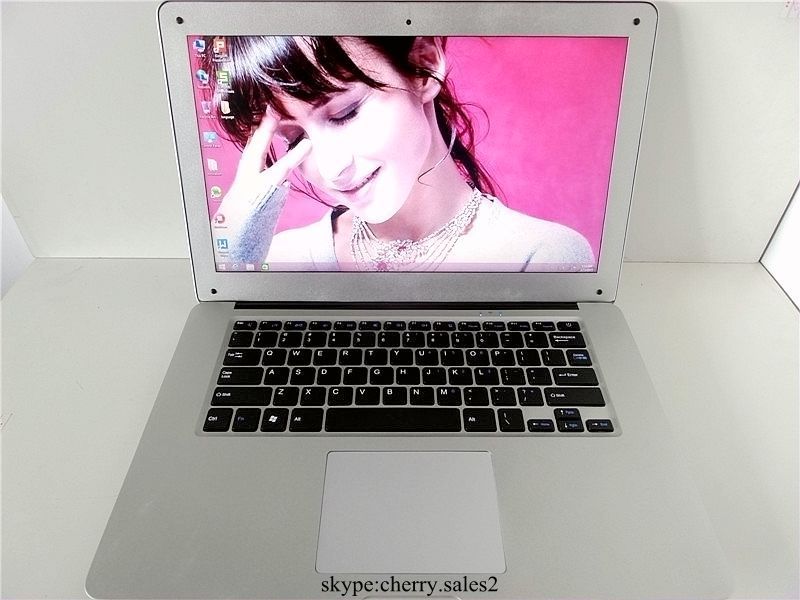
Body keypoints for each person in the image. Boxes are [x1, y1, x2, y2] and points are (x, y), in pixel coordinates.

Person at [203, 36, 593, 272]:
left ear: (423, 65)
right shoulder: (281, 259)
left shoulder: (539, 256)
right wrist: (233, 255)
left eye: (345, 113)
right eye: (295, 140)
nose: (332, 170)